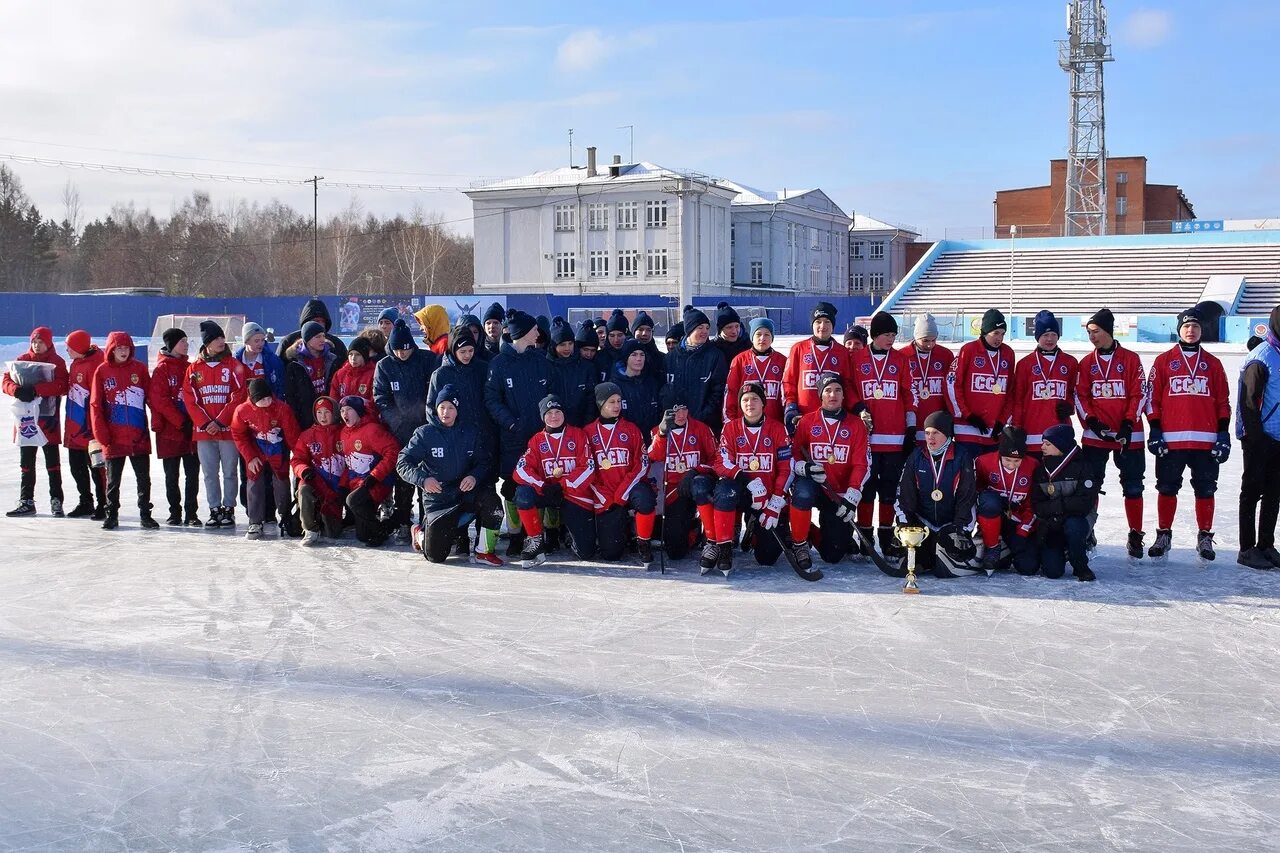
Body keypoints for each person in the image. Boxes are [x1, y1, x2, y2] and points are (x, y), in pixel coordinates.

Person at [1146, 307, 1231, 563]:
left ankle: (1204, 536)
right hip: (1172, 440)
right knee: (1167, 488)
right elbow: (1153, 399)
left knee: (1205, 490)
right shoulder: (1163, 361)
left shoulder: (1213, 364)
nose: (1191, 331)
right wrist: (1155, 429)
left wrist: (1223, 434)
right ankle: (1163, 535)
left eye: (1195, 327)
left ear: (1201, 330)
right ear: (1179, 330)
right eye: (1186, 327)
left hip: (1205, 441)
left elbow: (1223, 402)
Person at [397, 384, 504, 565]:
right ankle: (420, 533)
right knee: (435, 556)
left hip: (465, 494)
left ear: (457, 410)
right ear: (436, 409)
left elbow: (484, 462)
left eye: (451, 408)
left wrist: (474, 476)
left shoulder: (470, 433)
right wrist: (423, 480)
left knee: (493, 505)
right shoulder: (425, 434)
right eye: (442, 407)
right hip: (439, 500)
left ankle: (484, 551)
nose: (446, 412)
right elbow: (402, 463)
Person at [1076, 307, 1148, 559]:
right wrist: (1092, 421)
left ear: (1108, 330)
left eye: (1096, 331)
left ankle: (1135, 534)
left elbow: (1139, 392)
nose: (1092, 337)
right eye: (1089, 332)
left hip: (1129, 436)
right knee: (1090, 485)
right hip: (1096, 437)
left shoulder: (1130, 359)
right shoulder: (1086, 363)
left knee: (1133, 487)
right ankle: (1087, 530)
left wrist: (1128, 423)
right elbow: (1081, 395)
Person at [485, 310, 556, 557]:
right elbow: (492, 400)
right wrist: (511, 424)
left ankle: (537, 534)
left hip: (540, 438)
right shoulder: (499, 364)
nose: (538, 333)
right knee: (513, 487)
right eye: (534, 329)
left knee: (539, 484)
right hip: (513, 438)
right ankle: (515, 535)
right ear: (524, 333)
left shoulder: (541, 360)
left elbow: (552, 395)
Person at [848, 312, 917, 559]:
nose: (891, 339)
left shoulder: (900, 359)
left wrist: (910, 426)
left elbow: (908, 393)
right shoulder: (857, 358)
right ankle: (865, 537)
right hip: (866, 440)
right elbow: (849, 389)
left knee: (888, 492)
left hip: (894, 439)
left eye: (894, 335)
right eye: (887, 334)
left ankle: (887, 538)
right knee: (866, 491)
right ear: (875, 335)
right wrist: (859, 408)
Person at [708, 382, 791, 576]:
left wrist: (777, 501)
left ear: (763, 403)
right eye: (745, 400)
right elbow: (721, 463)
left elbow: (787, 469)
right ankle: (724, 547)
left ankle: (755, 530)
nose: (749, 404)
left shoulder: (778, 429)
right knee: (724, 491)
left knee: (767, 558)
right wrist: (747, 480)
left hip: (768, 497)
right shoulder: (730, 429)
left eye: (755, 399)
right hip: (742, 494)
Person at [789, 373, 871, 567]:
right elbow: (793, 455)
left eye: (838, 390)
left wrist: (852, 495)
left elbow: (863, 464)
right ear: (821, 395)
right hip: (815, 487)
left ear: (844, 396)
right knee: (802, 492)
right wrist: (804, 467)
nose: (832, 395)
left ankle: (809, 530)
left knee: (833, 555)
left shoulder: (857, 425)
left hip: (838, 493)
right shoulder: (807, 422)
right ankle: (798, 541)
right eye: (827, 391)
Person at [372, 319, 441, 543]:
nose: (403, 353)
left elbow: (437, 390)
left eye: (406, 348)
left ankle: (428, 518)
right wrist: (397, 422)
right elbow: (381, 398)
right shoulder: (385, 366)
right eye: (398, 349)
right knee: (405, 475)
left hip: (427, 427)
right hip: (400, 429)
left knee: (428, 474)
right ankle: (403, 518)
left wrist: (430, 419)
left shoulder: (427, 360)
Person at [511, 394, 598, 567]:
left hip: (573, 494)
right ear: (543, 417)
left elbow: (588, 468)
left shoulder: (578, 435)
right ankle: (536, 540)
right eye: (549, 412)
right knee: (523, 494)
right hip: (547, 491)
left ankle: (570, 534)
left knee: (586, 553)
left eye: (558, 411)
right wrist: (541, 485)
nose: (554, 416)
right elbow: (520, 470)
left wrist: (562, 485)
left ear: (564, 414)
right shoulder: (537, 440)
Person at [893, 411, 982, 579]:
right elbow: (905, 493)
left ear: (947, 434)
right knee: (909, 565)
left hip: (950, 525)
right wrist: (905, 523)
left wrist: (960, 529)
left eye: (935, 433)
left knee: (944, 570)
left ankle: (976, 551)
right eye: (927, 433)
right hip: (925, 524)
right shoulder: (916, 456)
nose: (930, 438)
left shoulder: (962, 457)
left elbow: (967, 497)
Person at [88, 332, 157, 531]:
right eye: (119, 348)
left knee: (144, 479)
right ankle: (112, 514)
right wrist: (101, 435)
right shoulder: (102, 371)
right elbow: (96, 405)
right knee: (112, 480)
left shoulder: (139, 369)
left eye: (126, 347)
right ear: (111, 349)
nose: (123, 351)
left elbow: (151, 398)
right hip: (113, 437)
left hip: (138, 435)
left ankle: (145, 514)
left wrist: (158, 422)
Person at [185, 320, 248, 528]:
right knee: (210, 473)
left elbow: (239, 394)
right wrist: (205, 423)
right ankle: (214, 509)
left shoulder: (233, 365)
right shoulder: (194, 369)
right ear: (207, 343)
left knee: (230, 471)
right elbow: (190, 399)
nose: (221, 341)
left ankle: (229, 508)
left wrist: (221, 420)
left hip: (228, 429)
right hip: (204, 432)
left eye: (222, 337)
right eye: (216, 338)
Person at [586, 383, 657, 566]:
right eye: (611, 402)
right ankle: (625, 529)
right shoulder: (588, 432)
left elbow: (642, 463)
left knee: (645, 498)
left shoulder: (631, 429)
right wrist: (606, 496)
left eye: (619, 401)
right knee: (611, 554)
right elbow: (586, 470)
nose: (617, 405)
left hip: (629, 488)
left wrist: (623, 492)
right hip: (605, 495)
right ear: (601, 404)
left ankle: (643, 542)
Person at [3, 326, 67, 517]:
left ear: (49, 344)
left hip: (49, 420)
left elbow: (63, 385)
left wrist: (38, 389)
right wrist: (16, 390)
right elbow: (5, 381)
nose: (37, 345)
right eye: (34, 342)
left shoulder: (57, 362)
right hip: (26, 419)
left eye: (41, 342)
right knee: (26, 462)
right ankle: (26, 500)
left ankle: (56, 500)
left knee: (52, 463)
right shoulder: (22, 360)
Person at [647, 398, 718, 560]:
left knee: (700, 486)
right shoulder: (658, 431)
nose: (680, 414)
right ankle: (693, 528)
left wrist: (695, 470)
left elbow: (717, 461)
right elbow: (653, 456)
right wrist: (662, 434)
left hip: (699, 485)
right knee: (675, 551)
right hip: (675, 491)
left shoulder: (701, 429)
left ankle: (712, 538)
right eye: (674, 410)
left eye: (684, 408)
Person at [1237, 305, 1280, 569]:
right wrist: (1256, 437)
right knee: (1251, 492)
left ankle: (1266, 544)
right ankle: (1246, 548)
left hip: (1278, 438)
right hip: (1259, 438)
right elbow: (1248, 403)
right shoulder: (1261, 357)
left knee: (1274, 493)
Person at [231, 378, 301, 540]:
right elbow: (238, 434)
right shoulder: (242, 411)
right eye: (262, 399)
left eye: (269, 398)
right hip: (256, 450)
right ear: (254, 400)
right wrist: (250, 456)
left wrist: (297, 456)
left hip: (278, 448)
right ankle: (255, 521)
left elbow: (292, 434)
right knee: (254, 481)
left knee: (281, 481)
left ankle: (284, 514)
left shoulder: (282, 409)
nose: (267, 402)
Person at [1031, 422, 1098, 581]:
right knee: (1052, 572)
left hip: (1078, 519)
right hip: (1052, 521)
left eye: (1047, 444)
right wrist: (1054, 516)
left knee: (1074, 526)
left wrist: (1057, 509)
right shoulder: (1041, 469)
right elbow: (1037, 505)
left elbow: (1084, 504)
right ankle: (1063, 549)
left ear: (1060, 445)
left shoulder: (1083, 467)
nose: (1042, 447)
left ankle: (1080, 565)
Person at [947, 308, 1014, 463]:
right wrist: (967, 415)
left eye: (1002, 333)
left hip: (993, 430)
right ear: (985, 332)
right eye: (995, 333)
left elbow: (1011, 391)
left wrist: (1002, 421)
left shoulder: (1008, 353)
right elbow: (952, 385)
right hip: (967, 428)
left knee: (989, 476)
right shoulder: (969, 350)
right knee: (968, 475)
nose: (999, 338)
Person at [149, 328, 201, 526]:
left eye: (187, 341)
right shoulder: (161, 369)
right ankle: (175, 511)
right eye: (182, 341)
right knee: (172, 475)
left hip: (191, 432)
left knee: (192, 474)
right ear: (171, 345)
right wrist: (181, 422)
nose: (186, 345)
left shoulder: (191, 367)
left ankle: (191, 512)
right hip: (170, 433)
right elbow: (159, 400)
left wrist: (194, 421)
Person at [782, 302, 855, 435]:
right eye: (818, 322)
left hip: (834, 420)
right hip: (803, 419)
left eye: (827, 321)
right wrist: (791, 406)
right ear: (812, 324)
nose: (823, 326)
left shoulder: (842, 352)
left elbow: (848, 385)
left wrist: (856, 408)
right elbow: (789, 382)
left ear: (833, 324)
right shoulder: (799, 349)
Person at [1012, 310, 1078, 455]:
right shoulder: (1025, 364)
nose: (1050, 339)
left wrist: (1070, 405)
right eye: (1045, 335)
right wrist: (1017, 427)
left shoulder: (1070, 362)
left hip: (1059, 435)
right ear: (1037, 337)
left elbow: (1075, 393)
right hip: (1032, 434)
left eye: (1054, 334)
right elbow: (1018, 399)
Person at [975, 427, 1039, 573]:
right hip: (993, 515)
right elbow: (976, 492)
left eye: (1017, 461)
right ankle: (992, 546)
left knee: (1028, 568)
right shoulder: (984, 462)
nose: (1011, 464)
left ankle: (1006, 547)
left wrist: (1023, 531)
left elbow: (1034, 503)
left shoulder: (1033, 465)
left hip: (1018, 520)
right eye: (1007, 460)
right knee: (989, 502)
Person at [338, 396, 400, 546]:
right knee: (363, 536)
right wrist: (342, 484)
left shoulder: (372, 430)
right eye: (342, 410)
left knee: (352, 500)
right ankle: (383, 526)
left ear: (359, 411)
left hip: (375, 483)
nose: (345, 414)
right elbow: (350, 463)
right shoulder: (344, 433)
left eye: (349, 410)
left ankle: (381, 530)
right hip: (357, 484)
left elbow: (394, 451)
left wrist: (375, 476)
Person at [660, 306, 729, 435]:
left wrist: (702, 414)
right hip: (676, 424)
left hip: (705, 424)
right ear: (689, 330)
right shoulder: (671, 357)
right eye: (700, 328)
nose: (704, 331)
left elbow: (719, 390)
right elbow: (664, 389)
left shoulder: (715, 356)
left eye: (707, 328)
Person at [62, 330, 107, 519]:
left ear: (79, 347)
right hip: (75, 425)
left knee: (97, 467)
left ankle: (103, 503)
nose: (67, 350)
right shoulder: (75, 363)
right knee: (76, 467)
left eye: (70, 347)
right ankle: (85, 501)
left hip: (90, 429)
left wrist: (94, 426)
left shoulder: (96, 364)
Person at [291, 396, 347, 546]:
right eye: (319, 412)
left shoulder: (344, 432)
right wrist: (304, 471)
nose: (323, 417)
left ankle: (327, 517)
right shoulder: (307, 435)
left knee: (333, 533)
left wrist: (343, 484)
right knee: (304, 491)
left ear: (335, 413)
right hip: (315, 482)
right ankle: (310, 529)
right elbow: (297, 460)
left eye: (327, 412)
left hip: (336, 488)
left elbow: (352, 462)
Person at [724, 317, 787, 424]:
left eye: (767, 334)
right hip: (744, 425)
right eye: (758, 334)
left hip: (774, 425)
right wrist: (730, 420)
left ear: (772, 338)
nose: (762, 338)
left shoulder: (782, 361)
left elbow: (787, 393)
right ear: (752, 337)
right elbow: (731, 392)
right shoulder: (740, 360)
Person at [282, 319, 340, 430]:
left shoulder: (332, 359)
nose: (322, 340)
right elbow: (291, 397)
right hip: (306, 419)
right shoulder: (294, 365)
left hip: (329, 414)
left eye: (323, 336)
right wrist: (298, 417)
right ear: (307, 339)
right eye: (317, 337)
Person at [905, 314, 952, 446]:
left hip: (938, 423)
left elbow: (950, 388)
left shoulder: (945, 355)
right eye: (925, 340)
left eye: (933, 340)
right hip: (913, 422)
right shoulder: (903, 356)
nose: (930, 344)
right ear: (916, 337)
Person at [547, 318, 598, 427]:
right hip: (554, 426)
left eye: (570, 343)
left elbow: (591, 398)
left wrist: (587, 423)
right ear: (554, 346)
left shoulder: (585, 367)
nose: (567, 348)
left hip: (580, 425)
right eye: (562, 344)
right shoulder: (546, 366)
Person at [613, 339, 662, 439]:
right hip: (625, 440)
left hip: (651, 440)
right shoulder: (615, 385)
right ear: (626, 358)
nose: (639, 359)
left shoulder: (652, 383)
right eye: (634, 355)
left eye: (642, 355)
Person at [276, 297, 348, 362]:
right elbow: (278, 369)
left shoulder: (336, 344)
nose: (320, 324)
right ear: (306, 323)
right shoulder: (288, 342)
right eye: (316, 321)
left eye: (323, 321)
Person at [235, 321, 285, 399]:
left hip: (267, 407)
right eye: (256, 341)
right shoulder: (235, 362)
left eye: (262, 340)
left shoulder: (273, 361)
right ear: (246, 341)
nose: (261, 344)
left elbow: (280, 387)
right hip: (244, 408)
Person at [330, 337, 379, 414]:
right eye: (351, 354)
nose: (353, 358)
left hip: (366, 419)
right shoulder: (340, 374)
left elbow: (374, 403)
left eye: (358, 354)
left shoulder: (374, 375)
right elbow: (334, 400)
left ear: (365, 356)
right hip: (343, 418)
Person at [630, 311, 666, 381]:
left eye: (648, 330)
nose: (644, 333)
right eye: (640, 329)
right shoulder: (624, 356)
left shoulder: (660, 358)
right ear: (634, 332)